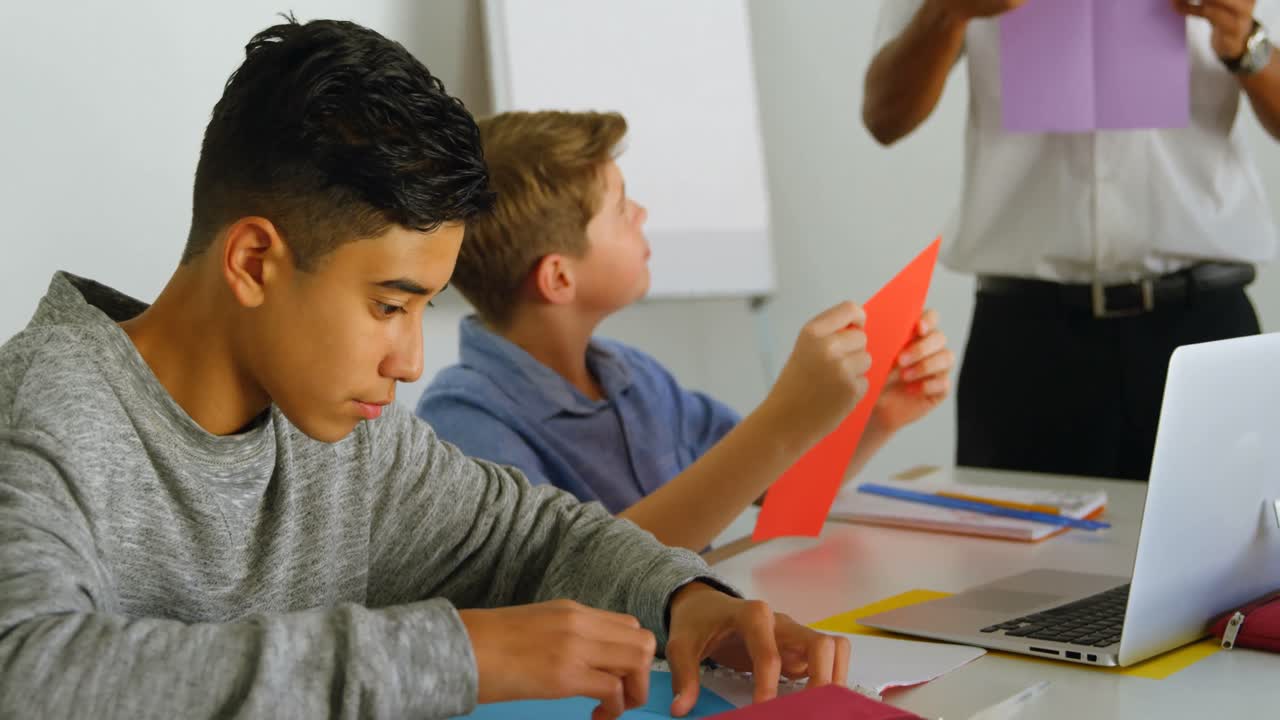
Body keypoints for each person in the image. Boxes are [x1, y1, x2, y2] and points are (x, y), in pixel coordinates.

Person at [0, 18, 849, 719]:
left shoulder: (344, 439)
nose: (408, 362)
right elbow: (27, 673)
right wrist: (455, 652)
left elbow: (535, 535)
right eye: (388, 305)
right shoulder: (42, 416)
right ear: (254, 261)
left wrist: (685, 603)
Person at [418, 110, 954, 552]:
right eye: (621, 208)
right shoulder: (464, 420)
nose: (642, 213)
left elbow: (774, 487)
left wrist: (876, 418)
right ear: (560, 277)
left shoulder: (636, 378)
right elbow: (572, 576)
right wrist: (783, 419)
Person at [863, 0, 1279, 480]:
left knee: (1228, 547)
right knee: (1012, 549)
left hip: (1203, 330)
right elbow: (883, 116)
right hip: (1028, 343)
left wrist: (1245, 41)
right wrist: (946, 12)